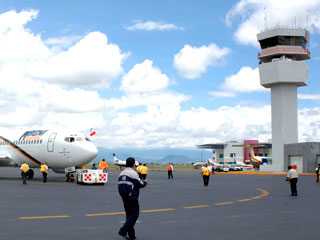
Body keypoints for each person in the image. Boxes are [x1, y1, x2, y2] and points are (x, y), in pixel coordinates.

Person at [118, 157, 148, 240]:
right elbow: (140, 184)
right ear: (133, 164)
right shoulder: (132, 173)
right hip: (132, 197)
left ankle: (131, 235)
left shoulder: (121, 174)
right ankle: (123, 230)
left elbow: (119, 187)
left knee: (129, 216)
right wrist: (145, 182)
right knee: (134, 215)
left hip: (124, 198)